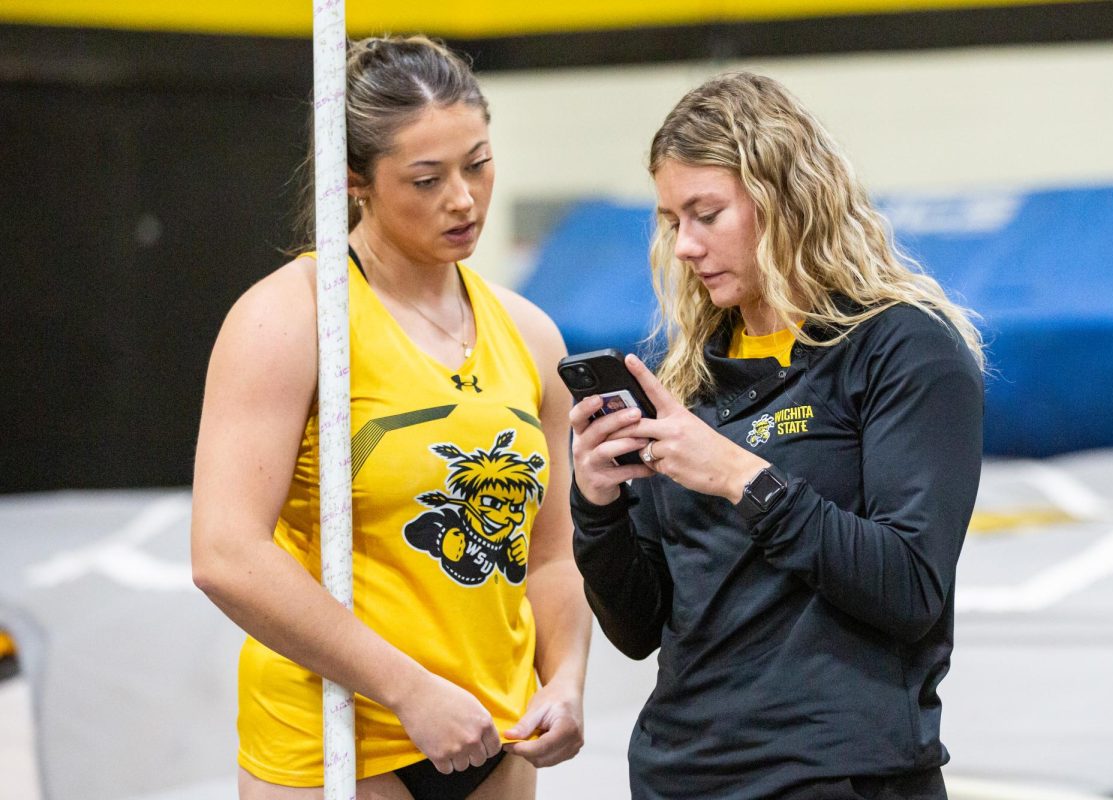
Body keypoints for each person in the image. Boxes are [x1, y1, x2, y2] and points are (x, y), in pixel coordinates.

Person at [191, 35, 590, 800]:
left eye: (477, 163)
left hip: (494, 733)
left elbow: (551, 554)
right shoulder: (290, 319)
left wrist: (565, 677)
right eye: (426, 179)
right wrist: (408, 690)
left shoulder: (531, 336)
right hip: (343, 736)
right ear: (355, 183)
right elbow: (225, 552)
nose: (464, 198)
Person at [570, 72, 985, 800]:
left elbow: (911, 586)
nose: (687, 246)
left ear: (786, 199)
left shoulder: (902, 347)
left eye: (707, 214)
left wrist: (742, 477)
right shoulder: (691, 379)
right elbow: (639, 629)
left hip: (838, 774)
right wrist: (597, 506)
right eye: (672, 222)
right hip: (681, 776)